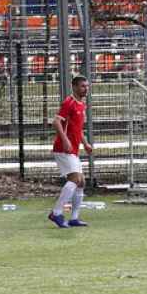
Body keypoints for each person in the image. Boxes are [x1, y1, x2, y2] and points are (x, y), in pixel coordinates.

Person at [47, 75, 93, 228]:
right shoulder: (69, 102)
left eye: (87, 86)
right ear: (74, 87)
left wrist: (85, 144)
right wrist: (65, 140)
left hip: (73, 150)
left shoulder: (81, 105)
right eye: (82, 86)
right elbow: (56, 122)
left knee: (81, 182)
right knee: (75, 179)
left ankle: (74, 218)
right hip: (63, 148)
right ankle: (56, 213)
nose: (85, 89)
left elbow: (77, 129)